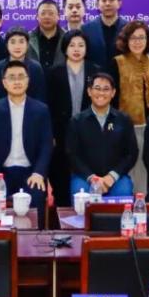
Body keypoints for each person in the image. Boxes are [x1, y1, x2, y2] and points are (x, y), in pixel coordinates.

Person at [0, 61, 52, 220]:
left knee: (37, 195)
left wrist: (39, 172)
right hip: (1, 172)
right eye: (12, 78)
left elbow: (46, 145)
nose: (17, 81)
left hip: (30, 171)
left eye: (21, 77)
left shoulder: (41, 110)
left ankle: (36, 235)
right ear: (4, 83)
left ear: (28, 81)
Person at [46, 30, 98, 206]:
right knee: (60, 172)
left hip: (87, 130)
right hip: (60, 131)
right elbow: (48, 105)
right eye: (72, 45)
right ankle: (61, 211)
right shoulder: (54, 72)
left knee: (85, 170)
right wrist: (51, 133)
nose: (76, 49)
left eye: (81, 45)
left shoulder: (95, 71)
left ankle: (86, 211)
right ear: (65, 48)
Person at [112, 20, 149, 193]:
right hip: (128, 124)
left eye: (141, 37)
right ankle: (133, 199)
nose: (137, 42)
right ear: (126, 40)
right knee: (132, 165)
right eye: (133, 38)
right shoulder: (118, 62)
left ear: (147, 40)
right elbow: (113, 96)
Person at [66, 73, 138, 197]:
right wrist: (92, 178)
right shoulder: (77, 121)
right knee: (81, 197)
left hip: (116, 177)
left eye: (106, 89)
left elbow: (131, 153)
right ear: (89, 91)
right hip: (85, 177)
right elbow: (72, 154)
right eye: (97, 88)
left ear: (113, 93)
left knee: (123, 193)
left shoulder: (123, 120)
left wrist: (112, 176)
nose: (101, 93)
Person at [0, 27, 48, 103]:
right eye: (13, 42)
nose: (17, 46)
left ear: (27, 45)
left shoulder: (36, 68)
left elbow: (40, 97)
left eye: (21, 42)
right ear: (7, 45)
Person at [83, 0, 127, 68]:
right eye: (104, 0)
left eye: (111, 0)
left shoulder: (128, 28)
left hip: (122, 74)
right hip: (95, 75)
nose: (107, 3)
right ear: (97, 5)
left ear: (119, 4)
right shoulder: (86, 29)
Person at [29, 0, 64, 71]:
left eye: (51, 13)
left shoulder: (67, 38)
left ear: (58, 16)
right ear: (37, 16)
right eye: (43, 13)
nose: (47, 17)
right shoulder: (27, 39)